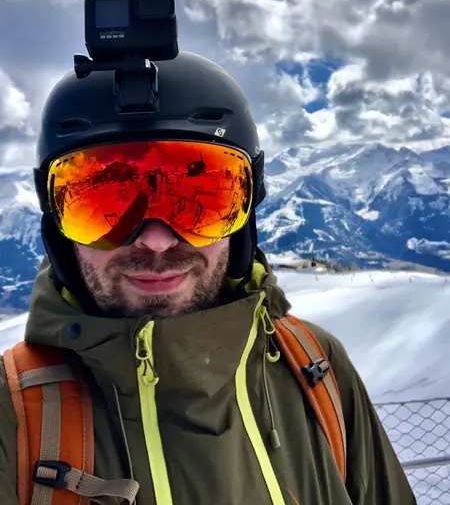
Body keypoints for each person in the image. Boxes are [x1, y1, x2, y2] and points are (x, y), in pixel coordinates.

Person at [0, 50, 416, 504]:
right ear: (58, 229)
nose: (157, 240)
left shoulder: (316, 369)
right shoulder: (14, 413)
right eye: (108, 205)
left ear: (244, 219)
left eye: (199, 200)